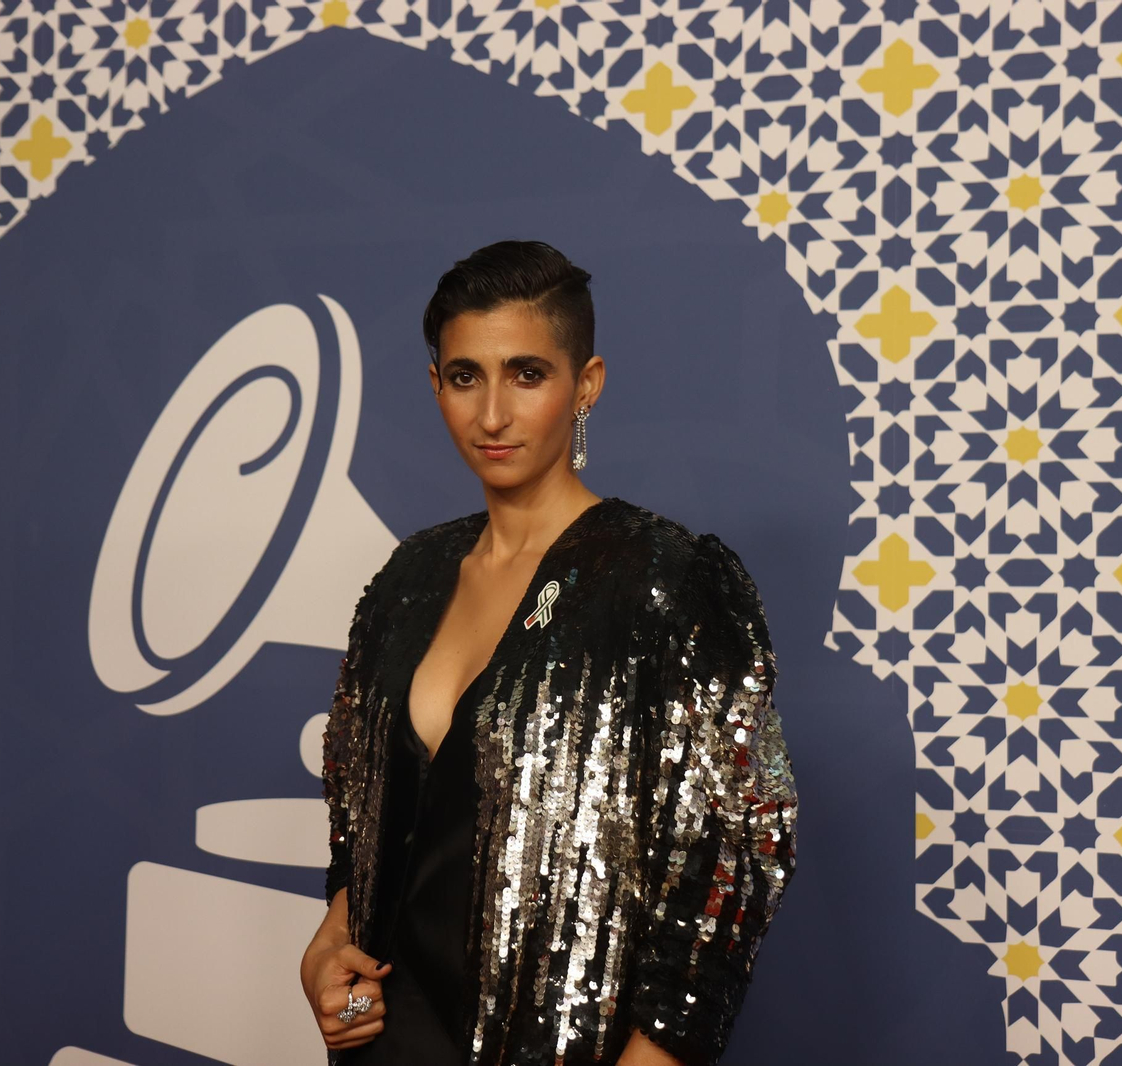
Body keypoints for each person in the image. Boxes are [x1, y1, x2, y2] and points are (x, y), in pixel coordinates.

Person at [298, 240, 798, 1066]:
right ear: (436, 387)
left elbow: (744, 843)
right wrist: (325, 952)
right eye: (465, 377)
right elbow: (365, 828)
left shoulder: (665, 581)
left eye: (526, 374)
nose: (492, 414)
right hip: (387, 1045)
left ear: (586, 384)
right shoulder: (406, 581)